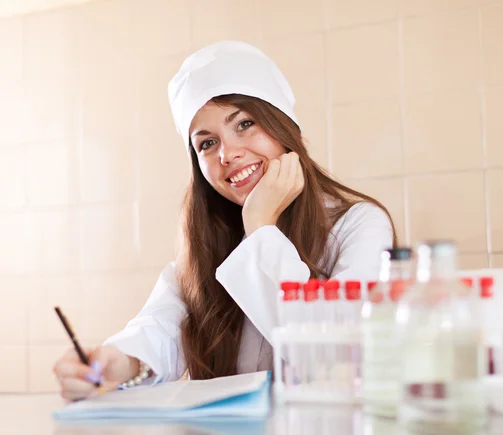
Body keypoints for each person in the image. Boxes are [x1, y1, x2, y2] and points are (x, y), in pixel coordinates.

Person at [53, 41, 398, 401]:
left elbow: (334, 355)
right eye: (206, 144)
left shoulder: (359, 225)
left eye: (245, 124)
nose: (228, 154)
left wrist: (261, 226)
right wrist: (117, 363)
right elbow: (158, 329)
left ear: (284, 128)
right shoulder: (203, 251)